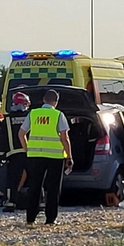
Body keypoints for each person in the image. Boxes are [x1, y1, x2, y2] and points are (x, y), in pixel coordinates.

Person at [21, 88, 73, 225]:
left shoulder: (33, 113)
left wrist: (28, 149)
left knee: (35, 187)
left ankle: (30, 218)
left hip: (35, 155)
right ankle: (50, 219)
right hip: (54, 156)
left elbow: (21, 133)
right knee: (53, 188)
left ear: (44, 100)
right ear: (56, 102)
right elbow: (64, 137)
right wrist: (69, 156)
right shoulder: (58, 115)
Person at [0, 92, 31, 212]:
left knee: (12, 178)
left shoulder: (7, 119)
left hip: (13, 155)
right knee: (34, 177)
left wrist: (1, 154)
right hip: (30, 153)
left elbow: (2, 139)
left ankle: (10, 202)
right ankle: (37, 202)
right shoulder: (30, 116)